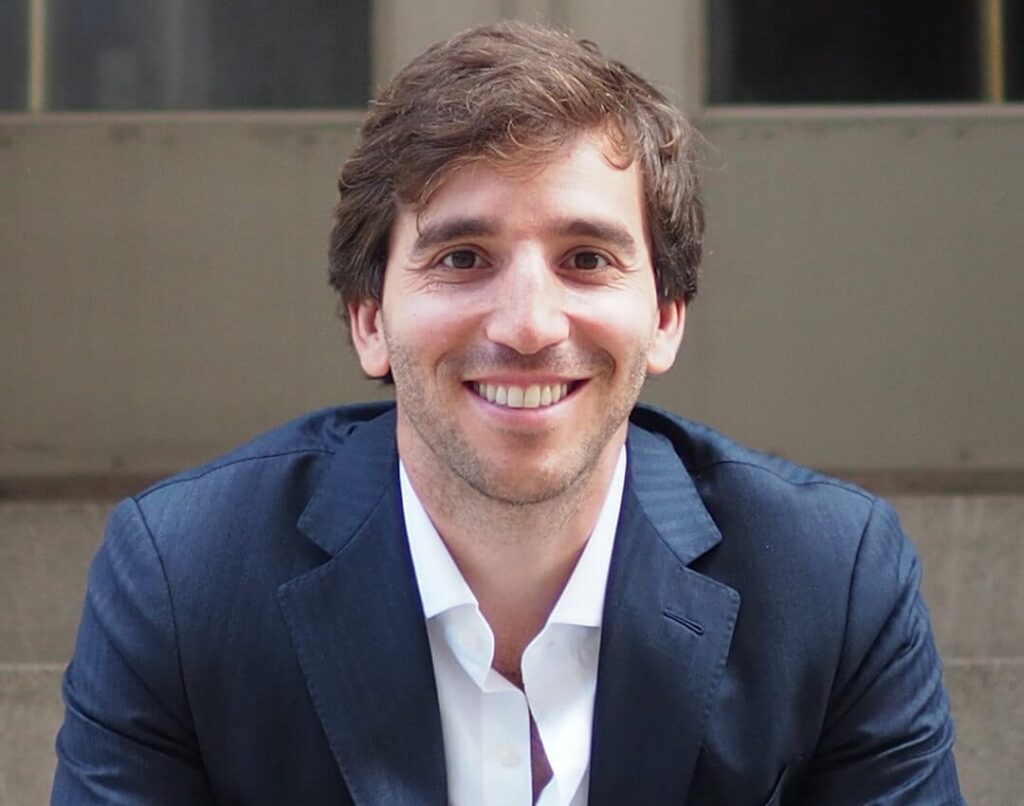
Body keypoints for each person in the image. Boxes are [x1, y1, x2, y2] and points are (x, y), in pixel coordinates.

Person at [52, 21, 962, 806]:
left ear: (666, 317)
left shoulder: (828, 580)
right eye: (461, 258)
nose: (528, 326)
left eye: (587, 260)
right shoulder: (186, 577)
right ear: (368, 320)